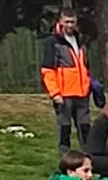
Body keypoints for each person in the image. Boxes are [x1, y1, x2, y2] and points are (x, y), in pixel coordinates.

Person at [39, 10, 93, 150]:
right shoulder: (53, 42)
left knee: (85, 126)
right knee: (65, 127)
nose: (69, 25)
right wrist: (55, 93)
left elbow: (85, 66)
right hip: (64, 93)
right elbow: (48, 70)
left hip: (82, 93)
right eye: (67, 22)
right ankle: (65, 158)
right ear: (61, 22)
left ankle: (89, 158)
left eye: (72, 22)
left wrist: (90, 84)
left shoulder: (80, 40)